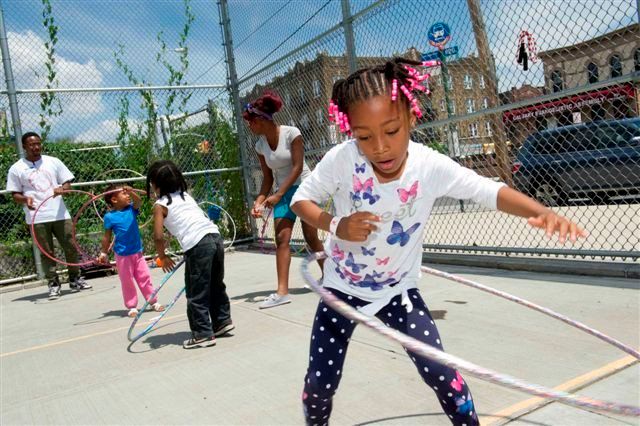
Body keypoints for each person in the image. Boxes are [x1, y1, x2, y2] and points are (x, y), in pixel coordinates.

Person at [290, 58, 588, 426]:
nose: (380, 147)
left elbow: (488, 190)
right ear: (351, 131)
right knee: (320, 384)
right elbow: (300, 200)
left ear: (412, 118)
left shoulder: (429, 166)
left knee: (442, 374)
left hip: (397, 292)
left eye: (392, 130)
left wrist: (541, 211)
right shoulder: (342, 159)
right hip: (340, 290)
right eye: (364, 136)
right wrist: (335, 224)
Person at [243, 90, 324, 309]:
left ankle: (331, 278)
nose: (249, 126)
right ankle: (282, 292)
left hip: (305, 187)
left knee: (310, 236)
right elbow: (267, 179)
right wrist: (259, 201)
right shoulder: (260, 146)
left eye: (251, 122)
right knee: (281, 237)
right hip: (283, 191)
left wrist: (278, 194)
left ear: (260, 119)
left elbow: (297, 167)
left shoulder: (292, 133)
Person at [146, 160, 233, 349]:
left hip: (198, 245)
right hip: (215, 237)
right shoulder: (186, 196)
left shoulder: (160, 205)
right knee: (216, 285)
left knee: (196, 291)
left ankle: (202, 334)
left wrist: (162, 256)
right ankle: (222, 322)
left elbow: (158, 236)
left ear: (156, 185)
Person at [6, 132, 92, 299]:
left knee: (71, 246)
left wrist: (62, 188)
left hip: (59, 213)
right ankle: (53, 283)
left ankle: (75, 279)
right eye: (32, 145)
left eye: (38, 143)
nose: (36, 147)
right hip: (37, 216)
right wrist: (26, 199)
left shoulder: (53, 162)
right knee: (47, 252)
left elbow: (67, 183)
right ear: (24, 147)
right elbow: (15, 195)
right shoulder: (17, 168)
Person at [97, 185, 164, 317]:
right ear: (114, 199)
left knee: (144, 277)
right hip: (122, 255)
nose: (127, 195)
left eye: (127, 193)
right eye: (124, 194)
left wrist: (132, 192)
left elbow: (139, 201)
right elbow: (106, 237)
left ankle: (153, 301)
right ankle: (132, 306)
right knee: (127, 280)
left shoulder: (131, 210)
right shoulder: (109, 217)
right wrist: (104, 253)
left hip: (137, 252)